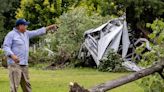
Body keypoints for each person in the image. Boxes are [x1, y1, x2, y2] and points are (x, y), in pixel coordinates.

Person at [3, 18, 58, 92]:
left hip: (24, 64)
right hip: (14, 65)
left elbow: (37, 32)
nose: (27, 27)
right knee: (14, 87)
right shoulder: (11, 34)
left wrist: (50, 27)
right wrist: (12, 56)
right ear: (20, 26)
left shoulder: (26, 33)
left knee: (27, 86)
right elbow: (6, 47)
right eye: (25, 25)